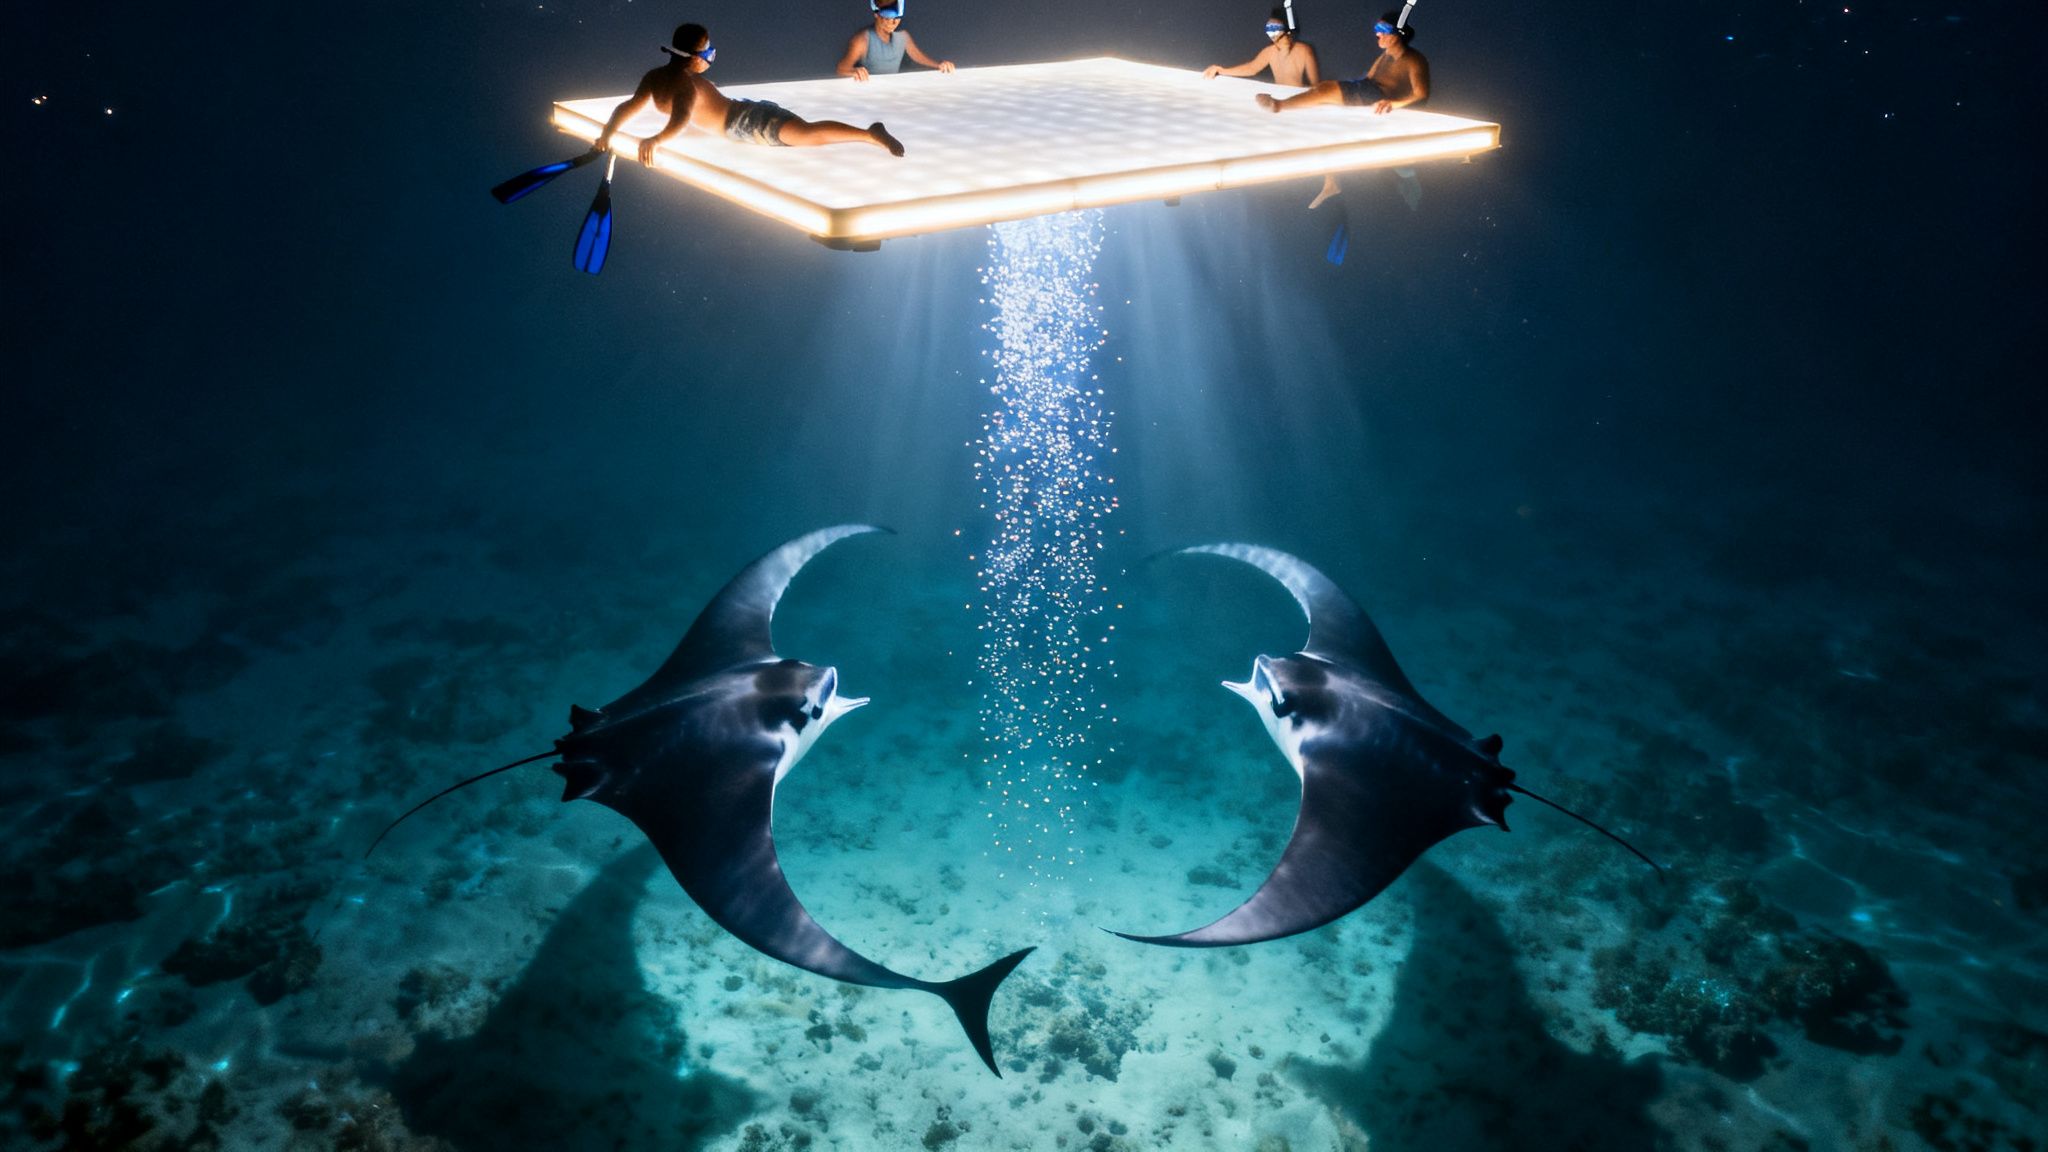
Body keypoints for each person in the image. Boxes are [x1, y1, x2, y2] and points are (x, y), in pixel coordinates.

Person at [599, 24, 905, 160]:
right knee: (805, 133)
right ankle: (869, 133)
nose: (711, 57)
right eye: (708, 51)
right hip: (743, 120)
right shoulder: (681, 84)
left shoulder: (665, 79)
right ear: (694, 58)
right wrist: (608, 134)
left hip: (746, 120)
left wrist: (650, 139)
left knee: (806, 135)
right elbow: (642, 110)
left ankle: (870, 134)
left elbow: (675, 118)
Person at [1254, 13, 1429, 210]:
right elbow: (1370, 78)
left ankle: (1279, 106)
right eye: (1376, 29)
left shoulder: (1414, 60)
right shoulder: (1385, 55)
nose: (1377, 34)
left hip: (1376, 96)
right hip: (1367, 91)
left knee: (1326, 90)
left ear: (1399, 33)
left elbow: (1421, 93)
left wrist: (1393, 104)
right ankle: (1331, 183)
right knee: (1324, 104)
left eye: (1383, 30)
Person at [837, 1, 954, 82]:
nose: (893, 23)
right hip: (870, 93)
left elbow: (919, 57)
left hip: (893, 93)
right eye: (888, 18)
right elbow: (841, 69)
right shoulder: (862, 40)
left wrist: (939, 65)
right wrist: (854, 71)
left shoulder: (903, 37)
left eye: (897, 18)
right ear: (876, 15)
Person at [1203, 8, 1321, 87]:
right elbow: (1251, 68)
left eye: (1274, 28)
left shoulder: (1303, 50)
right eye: (1269, 29)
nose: (1272, 33)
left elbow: (1315, 84)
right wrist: (1221, 71)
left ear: (1285, 28)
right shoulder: (1270, 52)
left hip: (1296, 99)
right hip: (1280, 99)